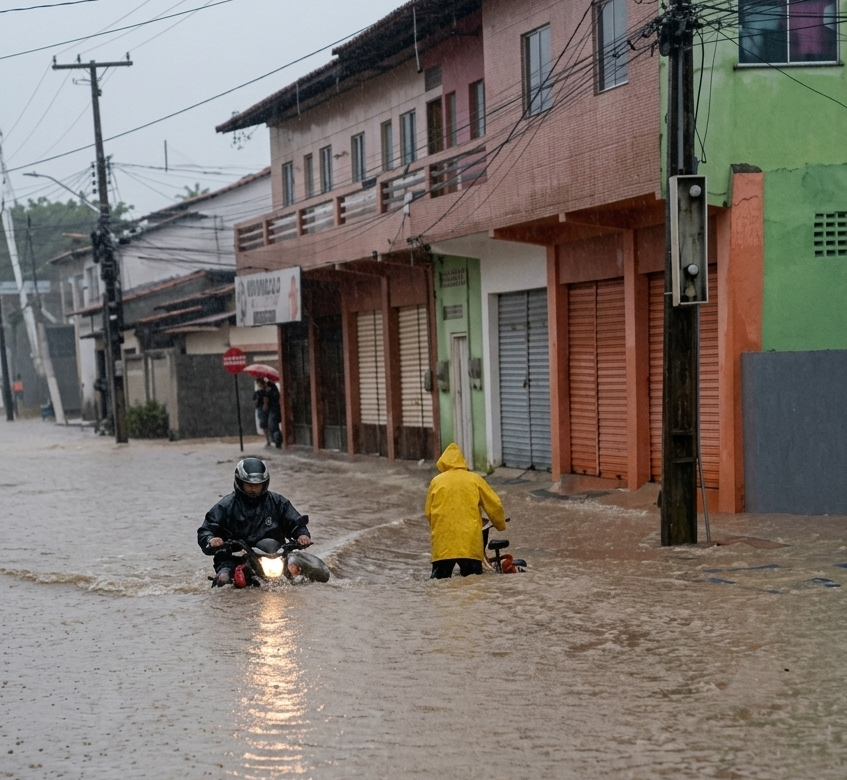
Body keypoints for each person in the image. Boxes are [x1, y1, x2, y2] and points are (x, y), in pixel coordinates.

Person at [198, 457, 312, 586]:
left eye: (257, 485)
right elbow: (206, 530)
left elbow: (295, 522)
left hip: (275, 555)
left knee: (301, 575)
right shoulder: (225, 506)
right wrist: (211, 540)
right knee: (224, 577)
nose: (253, 489)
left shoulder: (278, 502)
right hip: (236, 557)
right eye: (250, 485)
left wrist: (302, 535)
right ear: (240, 483)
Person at [424, 442, 506, 579]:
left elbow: (428, 512)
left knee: (439, 585)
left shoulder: (436, 481)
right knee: (473, 584)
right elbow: (495, 504)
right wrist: (500, 524)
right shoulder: (474, 479)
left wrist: (438, 528)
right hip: (470, 543)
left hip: (443, 545)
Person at [264, 379, 282, 448]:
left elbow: (266, 404)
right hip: (277, 410)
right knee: (276, 427)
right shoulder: (276, 392)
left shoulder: (268, 393)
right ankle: (278, 440)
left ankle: (276, 441)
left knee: (273, 427)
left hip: (272, 411)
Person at [253, 378, 270, 445]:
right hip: (260, 409)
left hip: (268, 409)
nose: (259, 385)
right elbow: (254, 403)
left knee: (269, 423)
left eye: (260, 383)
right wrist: (256, 402)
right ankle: (267, 439)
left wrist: (266, 403)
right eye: (258, 384)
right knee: (263, 424)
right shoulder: (256, 393)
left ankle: (270, 438)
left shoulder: (267, 391)